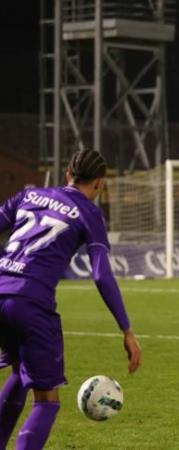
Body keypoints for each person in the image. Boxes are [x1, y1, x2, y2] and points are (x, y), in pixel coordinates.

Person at [0, 150, 141, 450]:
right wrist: (126, 329)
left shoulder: (29, 195)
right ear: (100, 183)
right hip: (30, 302)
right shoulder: (89, 213)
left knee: (18, 369)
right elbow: (102, 275)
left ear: (67, 174)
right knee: (47, 401)